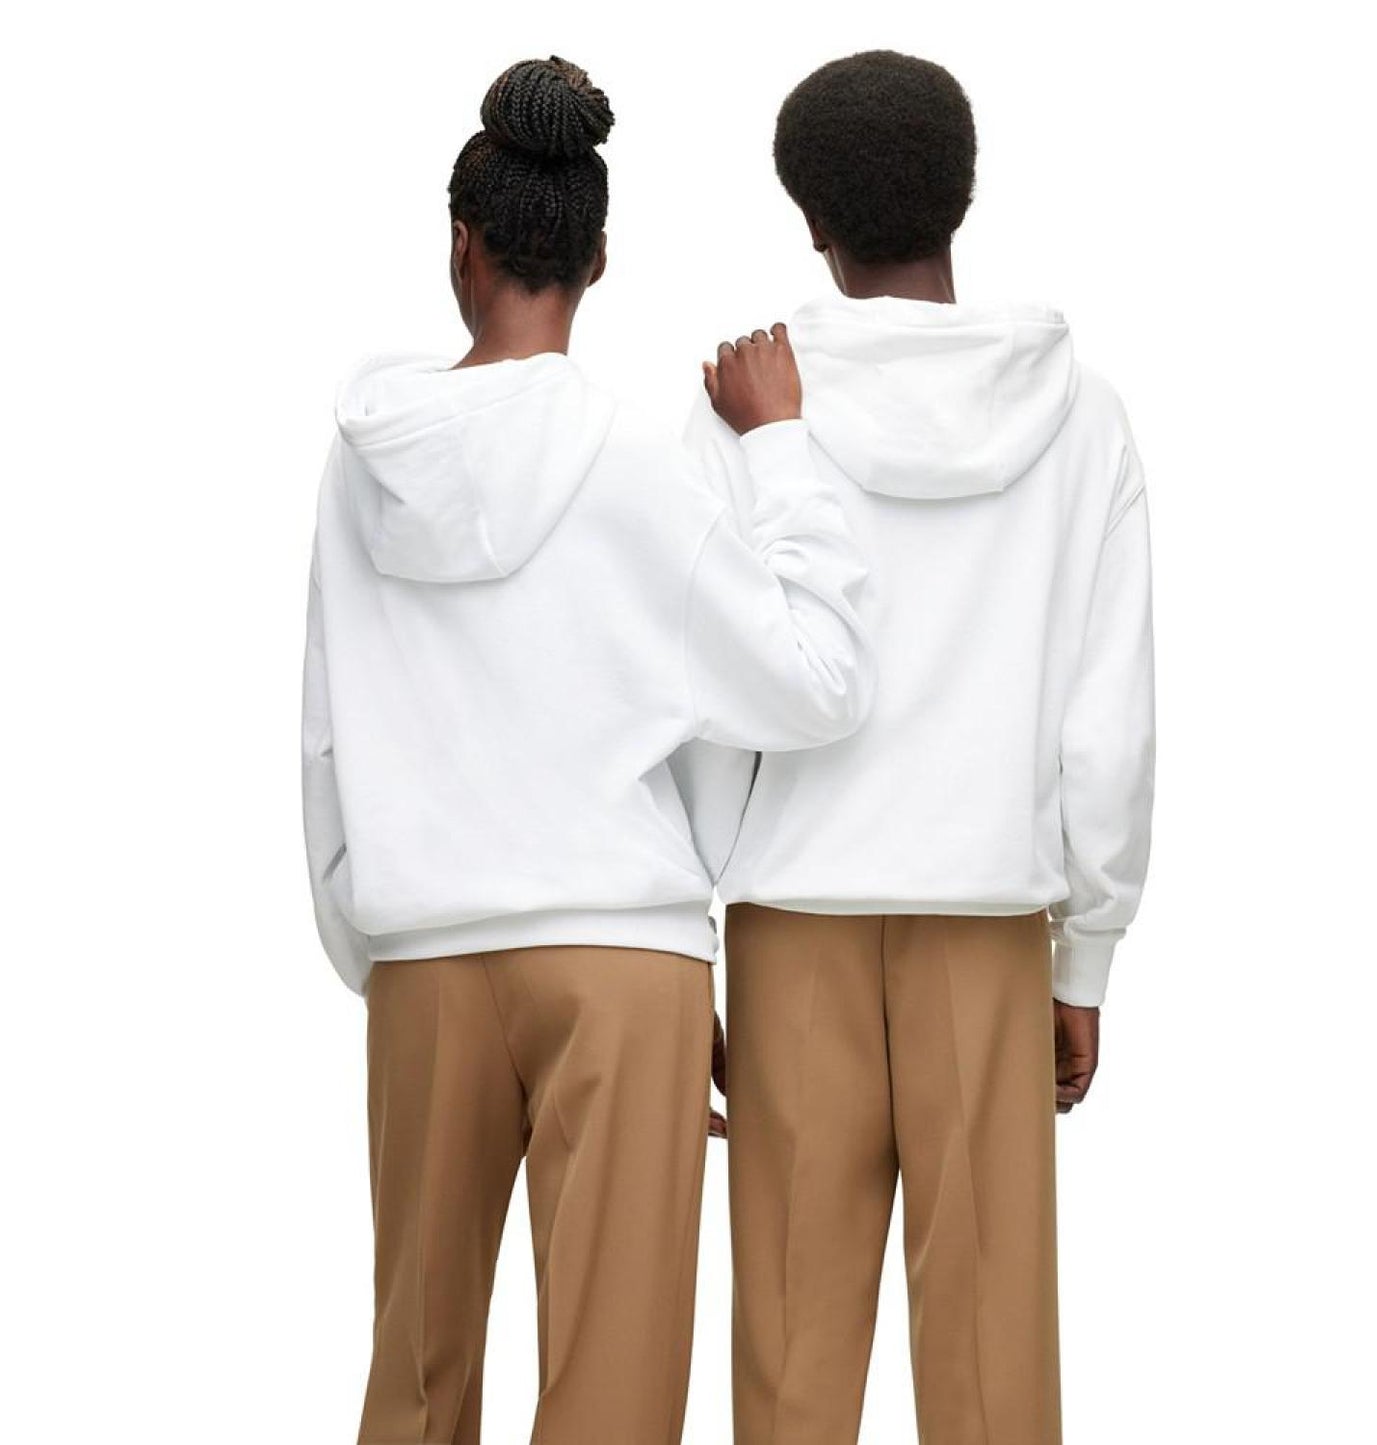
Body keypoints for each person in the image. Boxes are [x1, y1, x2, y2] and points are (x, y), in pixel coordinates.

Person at [301, 56, 873, 1445]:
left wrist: (376, 944)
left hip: (424, 954)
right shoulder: (638, 465)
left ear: (461, 243)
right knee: (613, 1397)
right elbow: (816, 685)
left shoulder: (366, 459)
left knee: (414, 1384)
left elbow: (324, 732)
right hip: (622, 962)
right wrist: (781, 455)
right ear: (598, 259)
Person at [674, 50, 1156, 1445]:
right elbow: (1107, 720)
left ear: (810, 220)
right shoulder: (1083, 416)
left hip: (790, 922)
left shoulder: (746, 407)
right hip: (990, 930)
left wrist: (689, 939)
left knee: (789, 1369)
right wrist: (1085, 955)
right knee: (996, 1374)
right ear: (964, 194)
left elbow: (702, 695)